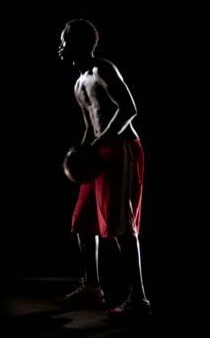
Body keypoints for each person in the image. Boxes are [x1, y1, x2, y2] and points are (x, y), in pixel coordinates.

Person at [57, 18, 151, 317]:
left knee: (122, 224)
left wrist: (98, 145)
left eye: (64, 40)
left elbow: (129, 109)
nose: (60, 46)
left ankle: (138, 299)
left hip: (121, 147)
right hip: (99, 149)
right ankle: (92, 288)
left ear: (80, 43)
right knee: (83, 220)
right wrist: (81, 151)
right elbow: (90, 125)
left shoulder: (103, 69)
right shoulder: (77, 82)